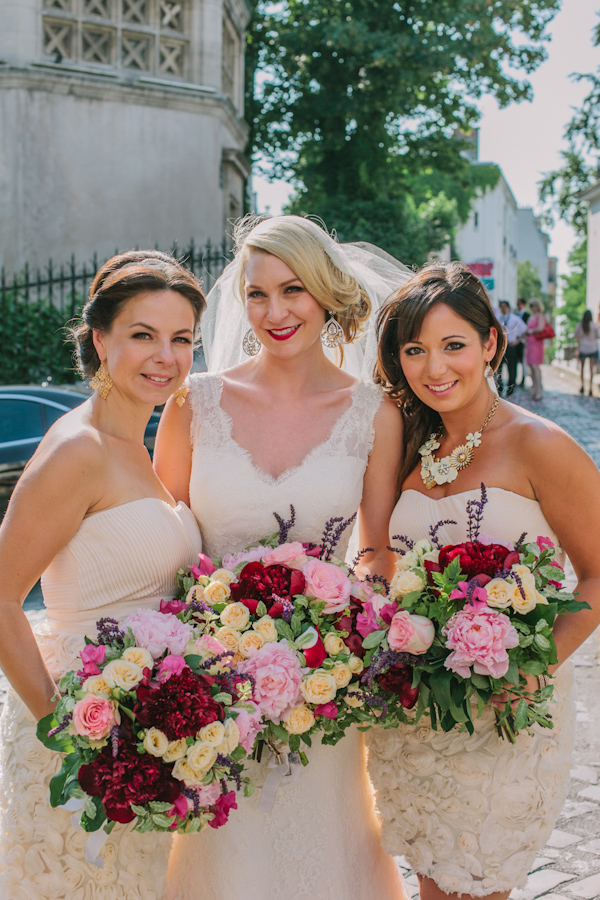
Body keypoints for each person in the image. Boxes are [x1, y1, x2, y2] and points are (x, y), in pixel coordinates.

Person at [154, 215, 411, 900]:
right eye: (257, 293)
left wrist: (348, 632)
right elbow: (163, 542)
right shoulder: (195, 403)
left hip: (323, 699)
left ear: (326, 292)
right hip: (214, 697)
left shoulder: (373, 413)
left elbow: (378, 547)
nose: (274, 311)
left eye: (292, 290)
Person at [366, 261, 600, 900]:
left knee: (480, 885)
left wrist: (532, 667)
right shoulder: (413, 447)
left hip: (508, 713)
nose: (434, 368)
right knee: (434, 887)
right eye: (415, 350)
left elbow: (599, 573)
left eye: (453, 346)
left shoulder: (538, 444)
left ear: (492, 344)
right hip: (418, 717)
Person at [0, 251, 205, 899]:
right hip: (80, 736)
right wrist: (68, 737)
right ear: (100, 339)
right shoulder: (79, 449)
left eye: (181, 340)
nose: (164, 356)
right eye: (143, 335)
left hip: (145, 737)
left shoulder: (139, 453)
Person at [495, 300, 526, 397]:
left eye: (505, 307)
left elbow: (525, 329)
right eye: (501, 307)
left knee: (511, 367)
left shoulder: (515, 318)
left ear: (508, 307)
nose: (503, 309)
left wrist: (517, 341)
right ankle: (499, 388)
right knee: (498, 367)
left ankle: (510, 388)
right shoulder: (498, 318)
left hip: (511, 345)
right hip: (500, 346)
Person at [525, 298, 548, 401]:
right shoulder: (531, 317)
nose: (531, 308)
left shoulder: (540, 316)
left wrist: (530, 331)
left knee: (535, 367)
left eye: (532, 306)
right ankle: (534, 389)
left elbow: (541, 328)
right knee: (531, 367)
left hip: (536, 344)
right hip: (530, 344)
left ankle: (539, 391)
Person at [574, 310, 600, 396]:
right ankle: (590, 388)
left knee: (582, 368)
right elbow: (598, 336)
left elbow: (575, 336)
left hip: (583, 348)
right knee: (591, 369)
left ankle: (582, 386)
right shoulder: (594, 325)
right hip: (593, 348)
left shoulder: (580, 325)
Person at [515, 298, 530, 387]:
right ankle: (516, 379)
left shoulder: (527, 315)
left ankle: (523, 379)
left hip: (523, 341)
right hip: (516, 340)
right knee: (516, 360)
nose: (518, 306)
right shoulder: (516, 314)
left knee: (523, 361)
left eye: (519, 304)